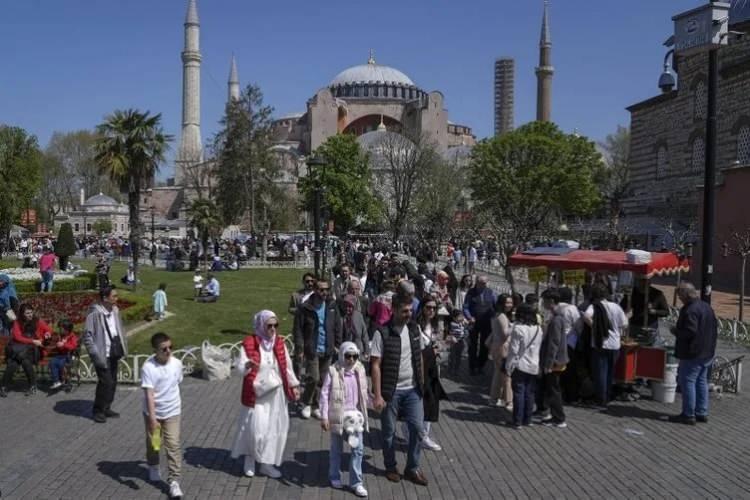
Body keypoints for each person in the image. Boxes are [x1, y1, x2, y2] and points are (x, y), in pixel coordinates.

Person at [231, 310, 301, 479]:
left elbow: (287, 367)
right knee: (255, 430)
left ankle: (266, 464)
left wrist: (294, 385)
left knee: (273, 430)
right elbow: (239, 370)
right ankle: (250, 460)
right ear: (261, 325)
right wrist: (247, 365)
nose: (272, 329)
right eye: (269, 325)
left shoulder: (279, 343)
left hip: (276, 394)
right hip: (257, 394)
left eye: (275, 325)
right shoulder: (249, 343)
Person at [370, 293, 428, 486]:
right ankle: (390, 466)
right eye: (404, 311)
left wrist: (422, 381)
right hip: (391, 391)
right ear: (393, 310)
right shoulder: (382, 332)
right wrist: (377, 395)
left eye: (411, 310)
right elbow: (376, 364)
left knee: (418, 429)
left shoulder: (414, 329)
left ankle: (412, 468)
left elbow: (418, 355)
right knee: (388, 433)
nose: (408, 314)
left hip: (413, 390)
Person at [319, 341, 370, 497]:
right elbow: (324, 394)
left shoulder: (359, 369)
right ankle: (334, 476)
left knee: (358, 449)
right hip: (337, 414)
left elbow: (364, 391)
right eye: (348, 356)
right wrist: (324, 416)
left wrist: (372, 402)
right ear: (341, 355)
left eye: (355, 356)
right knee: (336, 449)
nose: (352, 360)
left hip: (355, 417)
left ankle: (356, 483)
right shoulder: (333, 371)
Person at [141, 332, 184, 499]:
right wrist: (153, 419)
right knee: (155, 443)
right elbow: (149, 394)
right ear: (155, 351)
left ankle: (174, 481)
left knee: (173, 444)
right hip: (154, 413)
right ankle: (153, 465)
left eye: (170, 347)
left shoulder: (177, 363)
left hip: (173, 411)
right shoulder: (148, 367)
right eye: (163, 349)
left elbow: (177, 382)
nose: (168, 351)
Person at [669, 282, 718, 425]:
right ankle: (701, 411)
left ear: (685, 295)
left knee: (688, 381)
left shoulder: (690, 310)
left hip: (694, 351)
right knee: (701, 381)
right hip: (707, 351)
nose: (680, 299)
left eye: (680, 296)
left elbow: (691, 331)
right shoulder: (706, 306)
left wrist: (676, 332)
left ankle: (688, 414)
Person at [294, 279, 342, 420]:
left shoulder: (331, 305)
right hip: (312, 348)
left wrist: (337, 344)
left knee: (323, 379)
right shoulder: (305, 308)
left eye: (327, 289)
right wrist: (300, 348)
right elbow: (298, 329)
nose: (324, 292)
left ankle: (316, 404)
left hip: (327, 347)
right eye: (321, 289)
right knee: (313, 378)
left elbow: (337, 326)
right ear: (315, 290)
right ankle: (306, 402)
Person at [82, 286, 127, 423]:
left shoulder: (114, 311)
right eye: (114, 296)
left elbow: (118, 329)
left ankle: (107, 407)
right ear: (105, 298)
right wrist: (94, 353)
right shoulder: (94, 313)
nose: (116, 298)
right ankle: (98, 410)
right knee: (105, 382)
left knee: (113, 382)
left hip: (114, 351)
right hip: (102, 354)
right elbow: (87, 336)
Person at [583, 283, 628, 408]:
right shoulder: (615, 307)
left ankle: (601, 399)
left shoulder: (594, 306)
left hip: (600, 344)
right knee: (610, 372)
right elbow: (624, 324)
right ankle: (607, 396)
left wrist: (595, 327)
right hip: (614, 344)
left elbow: (586, 316)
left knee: (600, 373)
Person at [0, 303, 52, 397]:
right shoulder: (17, 322)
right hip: (20, 350)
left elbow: (48, 330)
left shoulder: (37, 321)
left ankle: (32, 386)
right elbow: (17, 337)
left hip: (34, 351)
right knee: (14, 363)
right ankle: (4, 387)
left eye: (31, 312)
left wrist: (46, 334)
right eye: (27, 313)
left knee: (24, 361)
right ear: (22, 314)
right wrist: (32, 341)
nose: (30, 315)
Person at [505, 303, 543, 428]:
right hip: (534, 364)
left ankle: (517, 420)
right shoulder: (539, 329)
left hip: (520, 364)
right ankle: (528, 419)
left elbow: (513, 350)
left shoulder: (518, 329)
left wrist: (508, 366)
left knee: (519, 392)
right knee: (530, 393)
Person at [538, 289, 569, 428]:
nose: (542, 303)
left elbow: (554, 343)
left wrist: (549, 363)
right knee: (552, 388)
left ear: (550, 301)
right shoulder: (557, 316)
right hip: (557, 360)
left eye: (544, 300)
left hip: (555, 361)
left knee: (553, 389)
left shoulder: (556, 319)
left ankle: (559, 418)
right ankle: (554, 415)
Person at [462, 275, 496, 376]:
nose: (483, 285)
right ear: (476, 282)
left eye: (485, 283)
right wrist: (469, 317)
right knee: (472, 345)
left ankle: (481, 365)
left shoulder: (491, 292)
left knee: (485, 345)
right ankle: (472, 367)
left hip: (486, 322)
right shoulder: (471, 293)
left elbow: (495, 306)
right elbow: (465, 307)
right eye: (481, 283)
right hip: (474, 322)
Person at [488, 294, 514, 408]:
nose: (510, 305)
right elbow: (505, 333)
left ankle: (495, 398)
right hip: (502, 347)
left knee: (498, 374)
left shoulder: (497, 315)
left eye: (511, 302)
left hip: (496, 346)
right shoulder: (502, 316)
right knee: (505, 375)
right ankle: (506, 400)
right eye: (507, 302)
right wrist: (514, 326)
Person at [48, 318, 79, 390]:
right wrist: (58, 345)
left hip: (69, 356)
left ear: (67, 329)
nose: (59, 330)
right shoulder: (61, 336)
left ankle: (64, 380)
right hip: (61, 355)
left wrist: (64, 345)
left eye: (61, 328)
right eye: (59, 328)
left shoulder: (72, 336)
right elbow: (60, 347)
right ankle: (56, 381)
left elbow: (74, 346)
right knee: (52, 362)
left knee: (61, 364)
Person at [341, 295, 369, 359]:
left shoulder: (358, 316)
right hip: (344, 352)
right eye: (346, 306)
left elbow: (364, 335)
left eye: (350, 306)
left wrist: (366, 351)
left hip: (358, 351)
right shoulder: (340, 317)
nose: (347, 308)